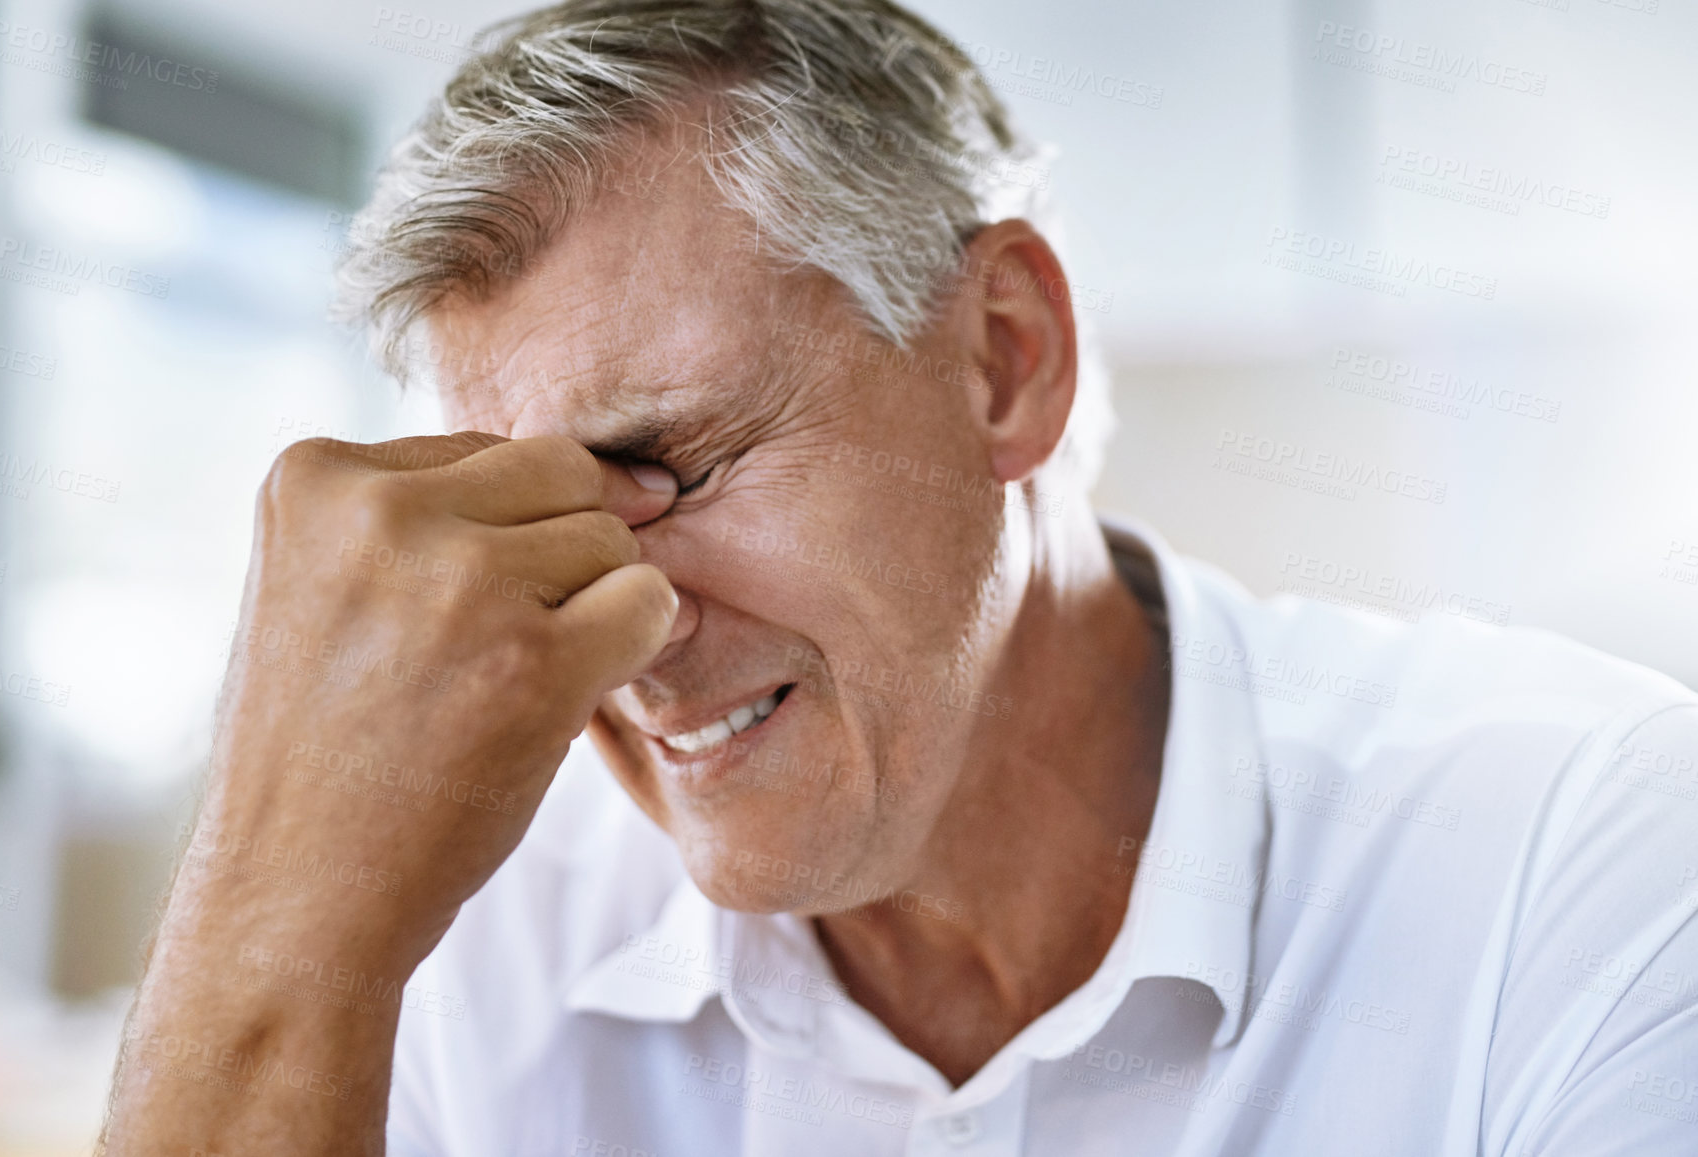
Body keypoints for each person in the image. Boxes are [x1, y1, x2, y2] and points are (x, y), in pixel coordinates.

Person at [100, 2, 1698, 1154]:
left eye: (672, 463)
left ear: (1005, 361)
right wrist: (269, 913)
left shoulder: (1584, 861)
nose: (615, 629)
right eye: (529, 514)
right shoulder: (477, 934)